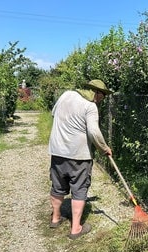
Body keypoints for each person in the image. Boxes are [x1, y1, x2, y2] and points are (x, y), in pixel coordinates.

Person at [48, 79, 113, 240]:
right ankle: (76, 228)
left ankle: (55, 218)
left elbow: (53, 113)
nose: (101, 100)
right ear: (96, 92)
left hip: (57, 151)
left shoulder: (66, 95)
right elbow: (94, 132)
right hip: (78, 155)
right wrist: (104, 148)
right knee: (79, 188)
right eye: (102, 96)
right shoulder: (90, 106)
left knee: (58, 185)